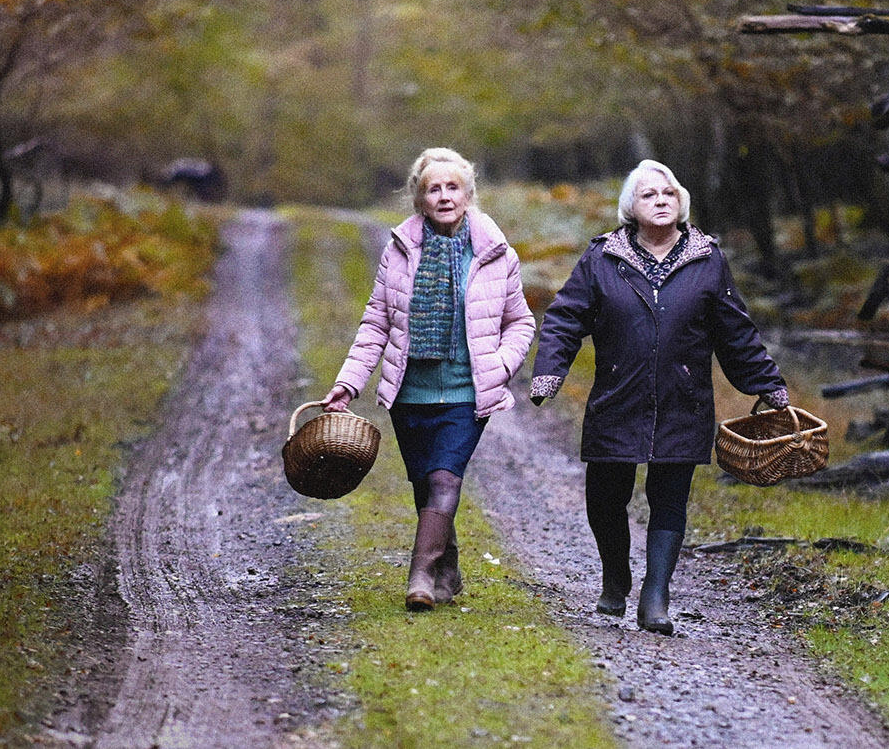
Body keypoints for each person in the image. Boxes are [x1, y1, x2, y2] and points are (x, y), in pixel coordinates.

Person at [529, 159, 790, 635]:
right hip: (617, 394)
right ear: (632, 206)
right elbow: (566, 317)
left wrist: (767, 385)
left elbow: (735, 331)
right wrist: (549, 372)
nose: (661, 200)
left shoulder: (707, 258)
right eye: (649, 194)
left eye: (669, 192)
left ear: (682, 201)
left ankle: (656, 594)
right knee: (605, 497)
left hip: (683, 397)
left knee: (670, 497)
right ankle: (615, 573)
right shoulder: (602, 258)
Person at [323, 147, 536, 611]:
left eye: (452, 187)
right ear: (419, 199)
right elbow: (376, 323)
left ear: (468, 195)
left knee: (446, 479)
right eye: (433, 189)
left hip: (466, 391)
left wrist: (499, 366)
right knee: (425, 484)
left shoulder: (496, 253)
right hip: (410, 392)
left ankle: (419, 574)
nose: (443, 196)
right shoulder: (399, 251)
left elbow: (520, 322)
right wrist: (349, 382)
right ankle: (448, 564)